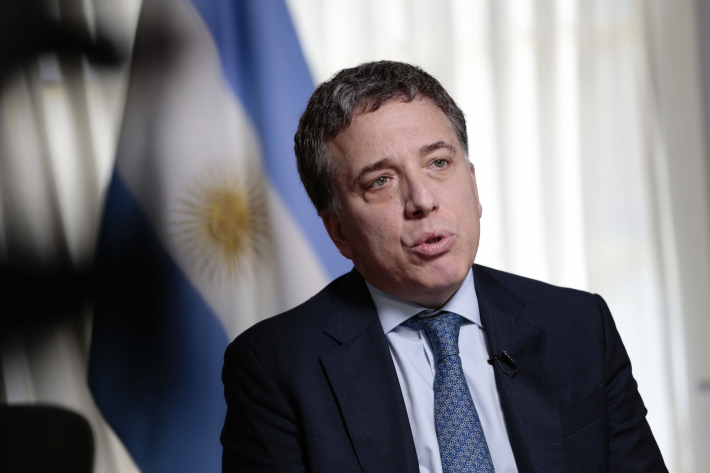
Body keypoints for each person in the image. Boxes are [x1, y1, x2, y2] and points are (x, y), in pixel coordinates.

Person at [220, 61, 667, 473]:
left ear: (473, 185)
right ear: (338, 231)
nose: (422, 200)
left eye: (438, 163)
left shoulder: (580, 326)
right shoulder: (274, 368)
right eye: (380, 181)